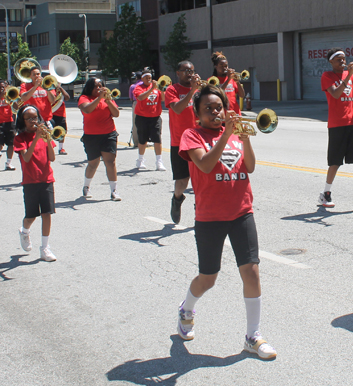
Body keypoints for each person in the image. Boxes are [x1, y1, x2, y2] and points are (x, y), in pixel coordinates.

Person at [176, 85, 277, 360]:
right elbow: (206, 165)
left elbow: (251, 166)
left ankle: (252, 336)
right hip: (210, 217)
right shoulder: (191, 135)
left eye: (218, 106)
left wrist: (243, 139)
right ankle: (186, 309)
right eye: (208, 108)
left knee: (252, 272)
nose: (215, 111)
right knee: (208, 279)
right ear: (197, 114)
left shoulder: (233, 133)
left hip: (242, 212)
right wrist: (227, 135)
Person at [319, 48, 353, 211]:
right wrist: (350, 75)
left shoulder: (351, 76)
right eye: (339, 60)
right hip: (337, 124)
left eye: (344, 59)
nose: (342, 62)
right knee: (335, 162)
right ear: (331, 62)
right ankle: (326, 193)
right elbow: (335, 94)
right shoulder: (327, 76)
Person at [13, 104, 57, 262]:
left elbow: (52, 158)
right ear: (22, 121)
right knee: (32, 215)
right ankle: (24, 231)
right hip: (30, 181)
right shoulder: (20, 138)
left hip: (46, 179)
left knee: (47, 213)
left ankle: (45, 248)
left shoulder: (44, 135)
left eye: (35, 118)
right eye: (29, 118)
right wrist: (37, 137)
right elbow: (26, 158)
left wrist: (48, 138)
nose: (33, 121)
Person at [164, 61, 200, 224]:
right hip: (180, 141)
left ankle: (201, 213)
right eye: (185, 70)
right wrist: (192, 91)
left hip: (199, 140)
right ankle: (177, 199)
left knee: (201, 178)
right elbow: (177, 109)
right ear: (177, 73)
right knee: (183, 181)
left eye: (191, 70)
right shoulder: (172, 90)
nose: (189, 73)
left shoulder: (199, 91)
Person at [78, 78, 121, 201]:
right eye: (96, 86)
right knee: (93, 163)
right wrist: (99, 98)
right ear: (89, 87)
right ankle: (86, 186)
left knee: (110, 162)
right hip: (91, 136)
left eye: (100, 86)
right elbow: (87, 109)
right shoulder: (84, 98)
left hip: (109, 134)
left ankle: (114, 190)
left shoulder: (107, 98)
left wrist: (108, 101)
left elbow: (116, 114)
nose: (98, 88)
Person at [134, 70, 166, 171]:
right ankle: (140, 160)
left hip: (155, 117)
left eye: (150, 78)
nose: (149, 79)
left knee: (157, 139)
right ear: (142, 78)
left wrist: (160, 89)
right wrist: (151, 89)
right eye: (146, 78)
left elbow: (164, 99)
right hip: (142, 117)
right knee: (143, 140)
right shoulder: (139, 87)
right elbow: (140, 97)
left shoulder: (156, 88)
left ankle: (159, 162)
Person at [0, 80, 17, 170]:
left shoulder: (9, 96)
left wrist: (14, 99)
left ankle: (8, 163)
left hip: (9, 122)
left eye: (3, 87)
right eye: (0, 88)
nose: (2, 89)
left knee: (11, 144)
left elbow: (16, 108)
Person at [51, 85, 71, 155]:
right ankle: (49, 147)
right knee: (49, 131)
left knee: (62, 131)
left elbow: (67, 98)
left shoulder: (60, 92)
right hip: (51, 114)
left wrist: (61, 88)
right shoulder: (49, 90)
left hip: (61, 114)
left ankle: (61, 148)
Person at [129, 71, 142, 147]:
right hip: (145, 103)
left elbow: (131, 98)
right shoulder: (146, 85)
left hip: (136, 103)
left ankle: (136, 142)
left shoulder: (133, 86)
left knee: (135, 123)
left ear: (136, 77)